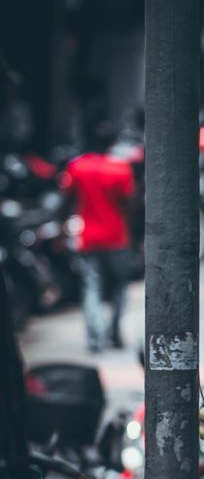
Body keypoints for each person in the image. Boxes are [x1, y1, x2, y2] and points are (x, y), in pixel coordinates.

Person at [62, 121, 137, 353]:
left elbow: (65, 198)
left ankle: (95, 339)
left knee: (91, 287)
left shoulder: (77, 167)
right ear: (111, 143)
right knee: (119, 288)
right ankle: (114, 333)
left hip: (88, 237)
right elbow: (131, 204)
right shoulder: (120, 168)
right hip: (117, 237)